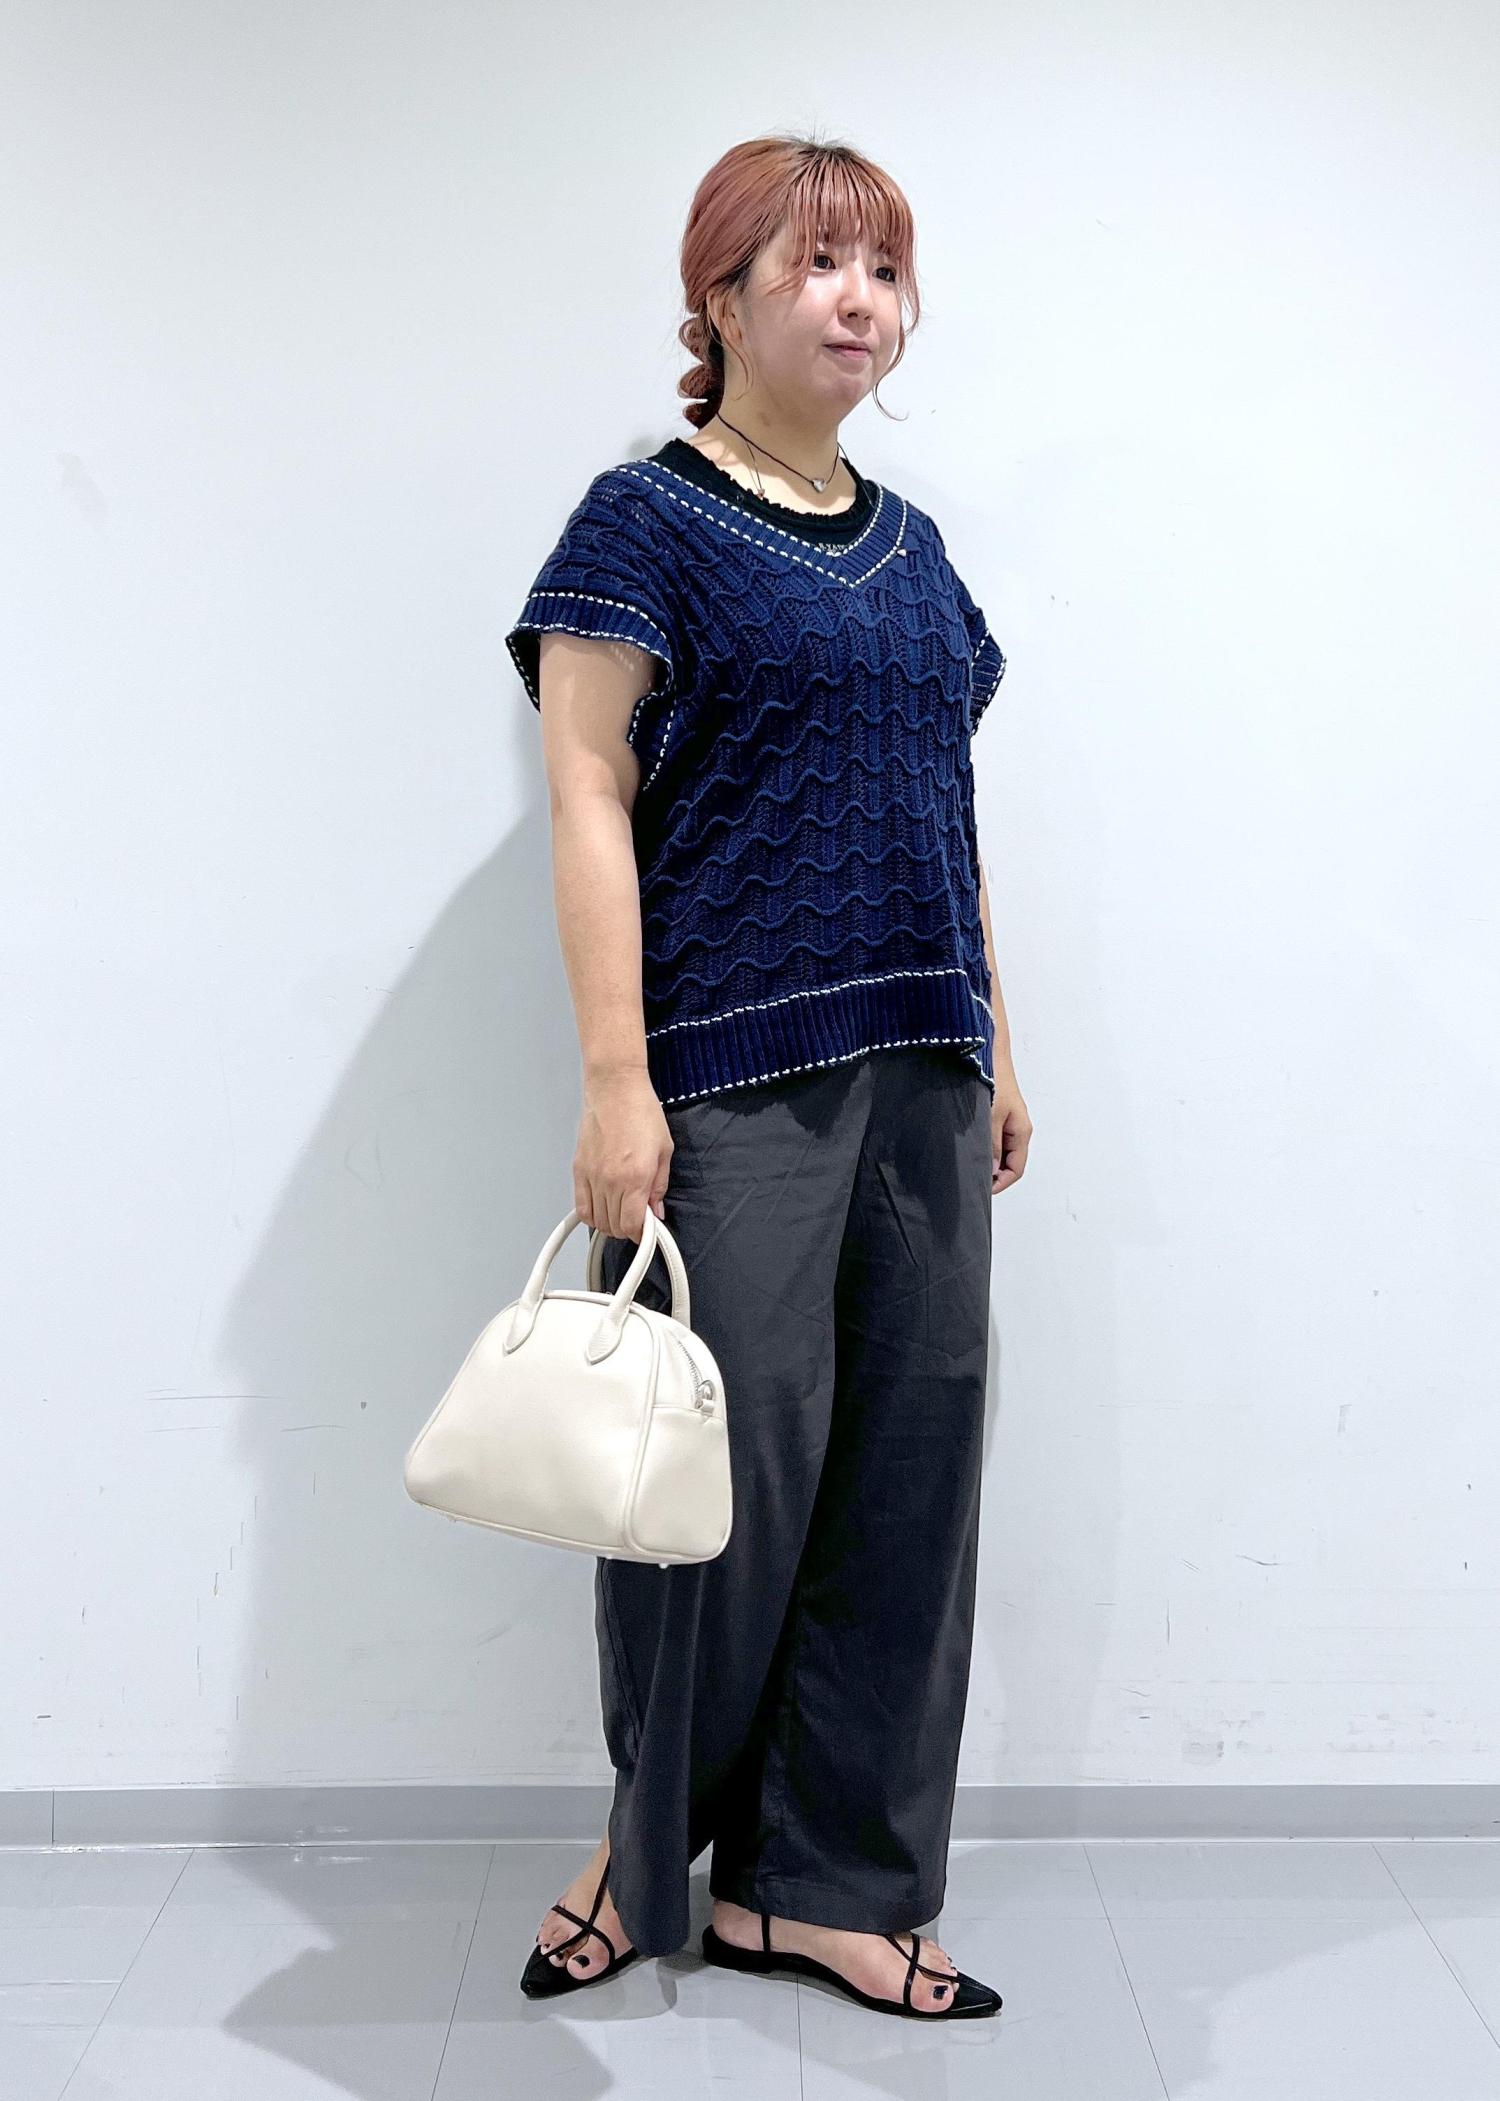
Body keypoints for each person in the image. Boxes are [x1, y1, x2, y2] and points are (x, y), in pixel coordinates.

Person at [504, 132, 1031, 2022]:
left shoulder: (919, 553)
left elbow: (947, 805)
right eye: (817, 264)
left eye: (882, 270)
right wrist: (615, 1081)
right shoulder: (638, 522)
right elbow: (586, 793)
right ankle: (641, 1853)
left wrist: (997, 1040)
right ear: (719, 296)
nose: (858, 302)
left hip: (922, 1072)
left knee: (908, 1480)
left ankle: (825, 1888)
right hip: (733, 1076)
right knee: (707, 1490)